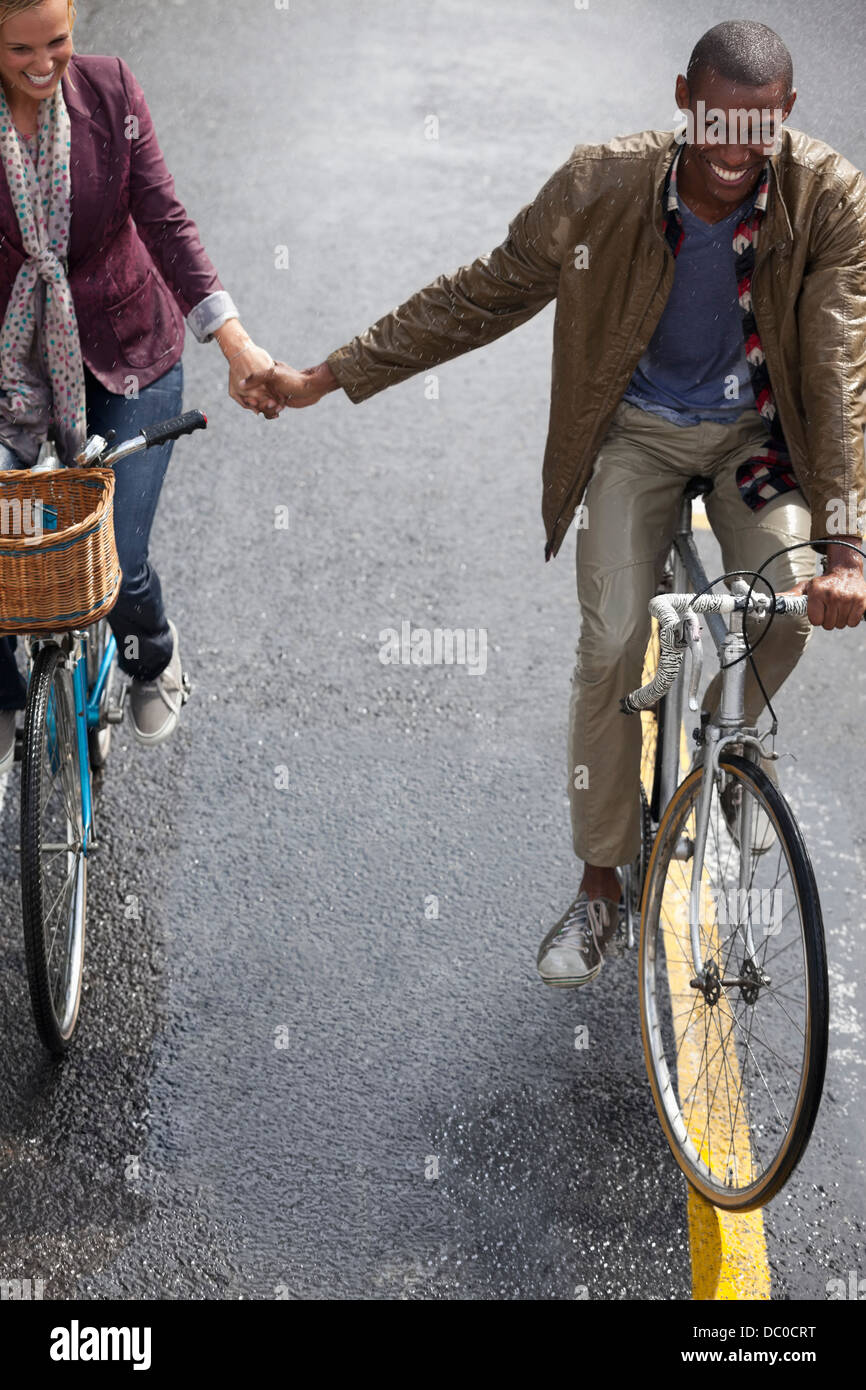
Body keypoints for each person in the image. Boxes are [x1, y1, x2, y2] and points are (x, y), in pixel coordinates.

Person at [243, 19, 866, 988]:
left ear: (784, 112)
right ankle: (597, 889)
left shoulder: (828, 195)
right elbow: (483, 293)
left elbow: (834, 368)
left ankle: (722, 738)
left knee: (783, 607)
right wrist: (329, 374)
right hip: (633, 432)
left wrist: (847, 547)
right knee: (611, 641)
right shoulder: (601, 185)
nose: (735, 154)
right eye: (714, 127)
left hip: (758, 439)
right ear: (679, 99)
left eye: (757, 130)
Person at [0, 0, 281, 768]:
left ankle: (153, 655)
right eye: (20, 46)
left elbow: (164, 221)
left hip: (130, 352)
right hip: (12, 369)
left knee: (113, 552)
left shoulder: (111, 92)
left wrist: (235, 342)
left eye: (57, 41)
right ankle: (2, 701)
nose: (41, 62)